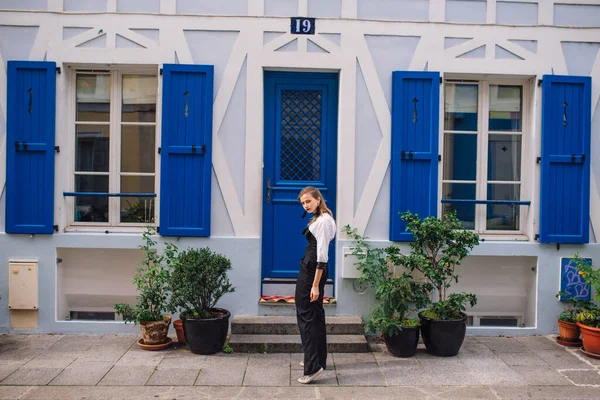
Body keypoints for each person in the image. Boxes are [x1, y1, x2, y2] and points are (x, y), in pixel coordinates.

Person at [295, 186, 336, 384]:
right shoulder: (324, 218)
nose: (306, 205)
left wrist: (315, 285)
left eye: (308, 201)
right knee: (316, 315)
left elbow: (322, 254)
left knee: (306, 316)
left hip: (312, 271)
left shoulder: (324, 221)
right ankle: (318, 360)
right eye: (303, 203)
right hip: (313, 269)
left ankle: (312, 368)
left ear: (318, 199)